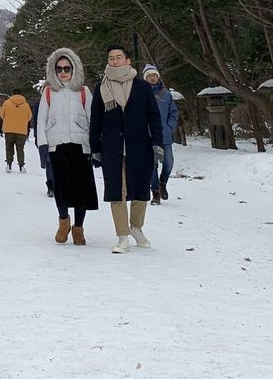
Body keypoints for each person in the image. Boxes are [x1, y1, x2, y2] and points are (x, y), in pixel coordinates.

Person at [90, 45, 162, 253]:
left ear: (128, 61)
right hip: (112, 147)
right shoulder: (101, 87)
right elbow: (95, 120)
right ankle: (122, 235)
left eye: (118, 57)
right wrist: (95, 146)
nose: (114, 61)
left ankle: (136, 227)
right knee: (116, 191)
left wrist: (157, 141)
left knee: (140, 190)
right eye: (111, 58)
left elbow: (153, 116)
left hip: (139, 146)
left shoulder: (142, 87)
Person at [36, 48, 98, 245]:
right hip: (57, 146)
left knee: (81, 190)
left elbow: (92, 119)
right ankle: (64, 221)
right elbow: (41, 120)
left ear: (74, 69)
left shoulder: (83, 91)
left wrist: (95, 146)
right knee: (60, 188)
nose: (63, 72)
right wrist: (43, 145)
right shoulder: (48, 92)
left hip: (80, 146)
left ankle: (78, 227)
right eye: (59, 68)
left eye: (67, 68)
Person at [143, 65, 179, 204]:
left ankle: (163, 182)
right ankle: (155, 192)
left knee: (168, 162)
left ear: (158, 77)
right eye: (149, 76)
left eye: (154, 75)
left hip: (165, 135)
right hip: (148, 136)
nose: (152, 78)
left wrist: (169, 127)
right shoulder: (142, 94)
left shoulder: (166, 94)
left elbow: (174, 112)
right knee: (152, 165)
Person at [31, 81, 56, 197]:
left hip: (54, 136)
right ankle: (51, 186)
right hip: (46, 137)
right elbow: (38, 122)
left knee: (51, 163)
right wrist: (38, 138)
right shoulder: (40, 103)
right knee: (50, 162)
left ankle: (54, 186)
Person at [0, 91, 33, 173]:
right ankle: (21, 166)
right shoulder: (26, 104)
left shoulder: (6, 103)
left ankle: (9, 165)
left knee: (9, 148)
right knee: (20, 149)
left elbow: (1, 114)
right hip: (21, 130)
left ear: (12, 94)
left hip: (9, 129)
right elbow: (29, 116)